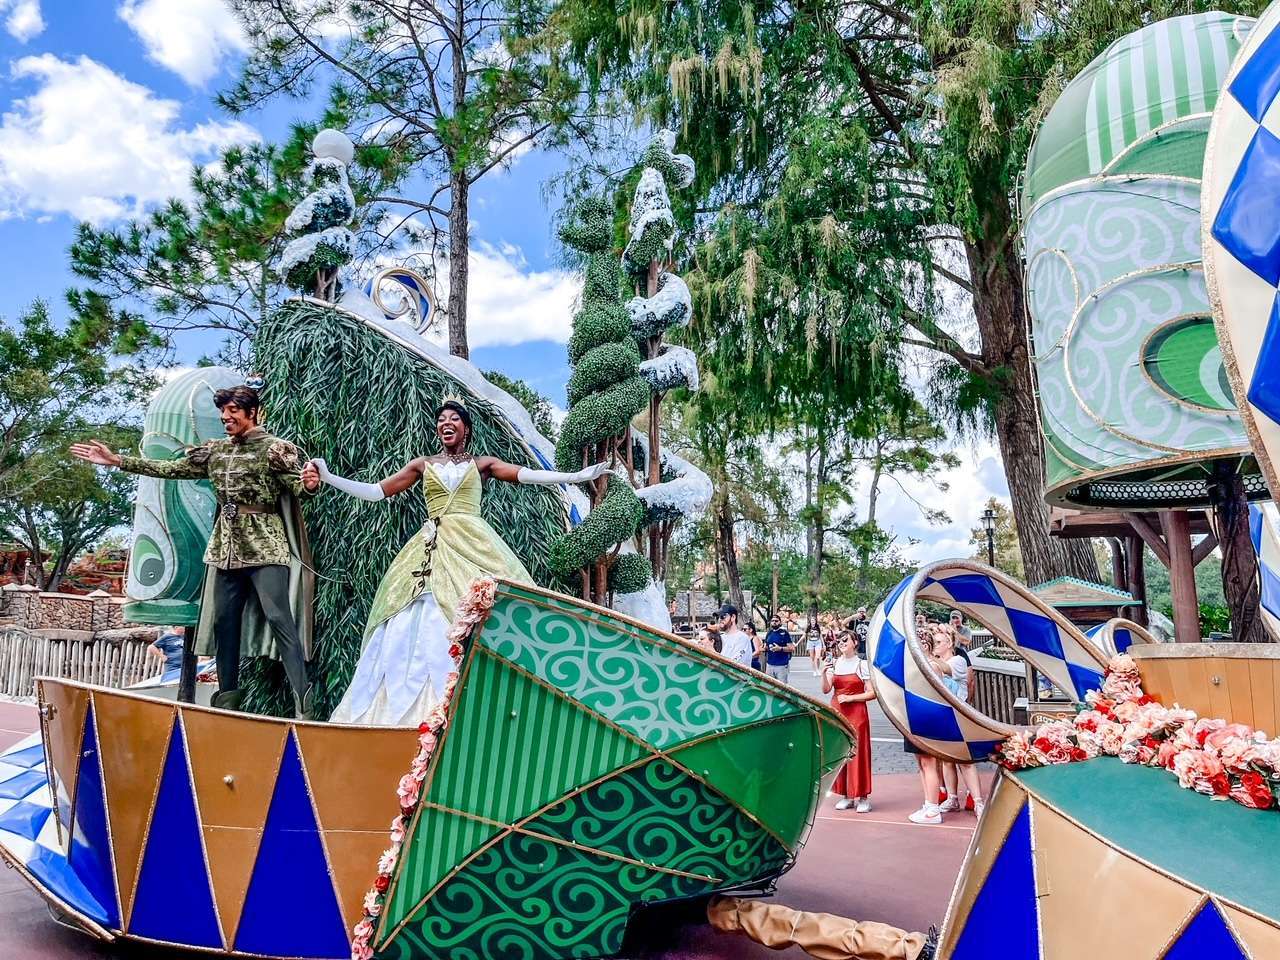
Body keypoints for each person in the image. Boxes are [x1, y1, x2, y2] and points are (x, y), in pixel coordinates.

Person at [304, 397, 609, 724]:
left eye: (453, 419)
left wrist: (574, 477)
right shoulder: (423, 465)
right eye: (440, 420)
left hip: (473, 544)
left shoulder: (482, 464)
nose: (445, 423)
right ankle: (398, 714)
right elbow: (377, 491)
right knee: (409, 618)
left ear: (467, 428)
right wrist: (329, 477)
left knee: (487, 607)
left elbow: (525, 475)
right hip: (428, 550)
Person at [72, 384, 319, 718]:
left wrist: (309, 484)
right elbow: (171, 470)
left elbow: (297, 486)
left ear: (252, 412)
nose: (225, 417)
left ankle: (304, 701)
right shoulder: (215, 451)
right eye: (223, 411)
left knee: (279, 619)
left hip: (265, 546)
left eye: (232, 411)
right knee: (224, 624)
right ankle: (227, 704)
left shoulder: (275, 449)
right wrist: (118, 461)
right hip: (224, 549)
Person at [934, 625, 985, 817]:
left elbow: (944, 669)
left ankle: (978, 800)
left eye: (938, 642)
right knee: (947, 759)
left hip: (958, 713)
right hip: (943, 714)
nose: (935, 645)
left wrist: (924, 652)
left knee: (965, 760)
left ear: (949, 644)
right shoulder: (935, 661)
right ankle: (952, 797)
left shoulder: (957, 661)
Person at [822, 633, 874, 811]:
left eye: (846, 640)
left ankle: (863, 797)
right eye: (840, 640)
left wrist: (852, 699)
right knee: (841, 752)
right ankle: (846, 795)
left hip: (857, 714)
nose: (841, 643)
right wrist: (823, 672)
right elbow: (826, 689)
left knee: (859, 753)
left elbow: (872, 693)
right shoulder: (835, 663)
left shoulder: (862, 665)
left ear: (855, 643)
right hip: (837, 712)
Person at [712, 603, 753, 669]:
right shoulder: (721, 637)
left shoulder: (742, 638)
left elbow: (735, 663)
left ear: (733, 617)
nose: (720, 619)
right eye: (718, 617)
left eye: (723, 616)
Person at [763, 614, 795, 683]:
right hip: (769, 664)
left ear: (780, 622)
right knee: (769, 686)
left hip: (781, 665)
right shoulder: (769, 633)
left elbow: (792, 648)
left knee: (782, 687)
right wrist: (763, 648)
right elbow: (765, 646)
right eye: (772, 621)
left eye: (776, 621)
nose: (774, 622)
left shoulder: (784, 633)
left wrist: (780, 648)